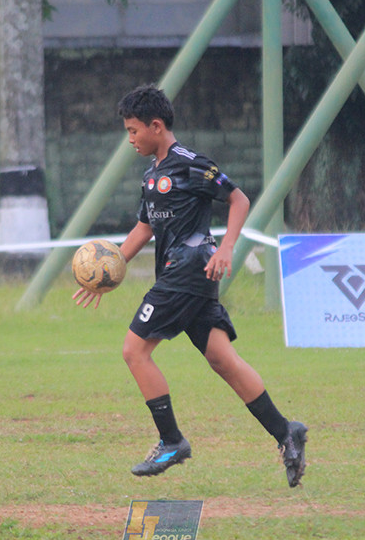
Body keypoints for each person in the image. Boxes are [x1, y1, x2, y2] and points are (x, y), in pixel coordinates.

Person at [73, 84, 307, 488]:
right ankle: (287, 432)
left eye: (133, 130)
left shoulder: (190, 164)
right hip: (185, 278)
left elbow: (239, 200)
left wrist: (228, 248)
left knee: (134, 350)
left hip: (188, 271)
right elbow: (145, 227)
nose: (130, 139)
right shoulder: (152, 175)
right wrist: (109, 268)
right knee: (222, 360)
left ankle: (171, 441)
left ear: (156, 126)